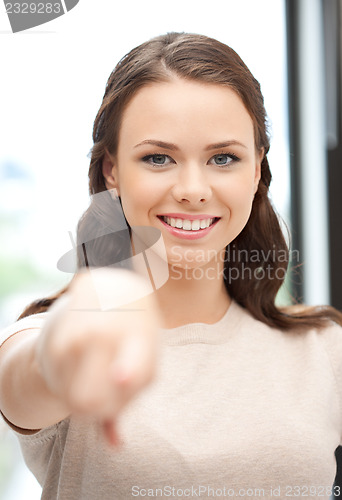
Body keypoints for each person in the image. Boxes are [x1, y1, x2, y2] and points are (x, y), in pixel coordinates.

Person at [1, 32, 342, 500]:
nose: (193, 189)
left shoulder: (324, 349)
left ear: (258, 168)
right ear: (112, 171)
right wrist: (72, 342)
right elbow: (33, 372)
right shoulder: (46, 336)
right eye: (158, 158)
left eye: (224, 158)